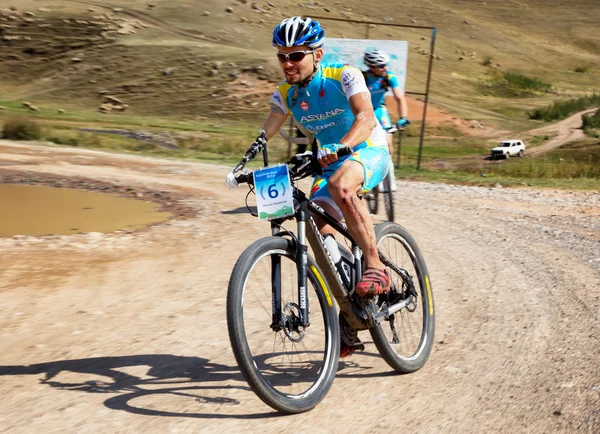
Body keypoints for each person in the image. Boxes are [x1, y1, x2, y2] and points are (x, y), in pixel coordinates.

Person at [226, 16, 391, 356]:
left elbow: (365, 117)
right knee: (317, 228)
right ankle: (350, 307)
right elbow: (267, 129)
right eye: (282, 56)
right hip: (327, 161)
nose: (287, 63)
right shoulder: (286, 93)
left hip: (367, 149)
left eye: (296, 55)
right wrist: (244, 164)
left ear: (317, 54)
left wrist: (341, 146)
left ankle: (375, 266)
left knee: (343, 186)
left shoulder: (344, 75)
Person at [363, 48, 410, 191]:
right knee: (363, 146)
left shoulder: (388, 77)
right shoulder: (362, 78)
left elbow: (399, 98)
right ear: (371, 67)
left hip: (379, 110)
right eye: (381, 66)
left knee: (388, 146)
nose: (385, 68)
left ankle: (389, 179)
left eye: (385, 65)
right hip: (363, 112)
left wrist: (403, 117)